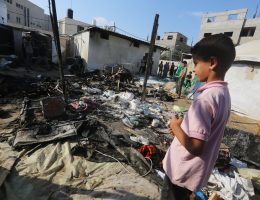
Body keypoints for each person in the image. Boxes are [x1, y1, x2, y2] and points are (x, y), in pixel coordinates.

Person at [161, 33, 236, 200]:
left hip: (181, 171)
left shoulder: (204, 100)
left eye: (196, 63)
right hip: (194, 173)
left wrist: (175, 126)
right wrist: (182, 131)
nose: (193, 69)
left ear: (212, 63)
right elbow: (204, 134)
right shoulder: (223, 94)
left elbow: (196, 147)